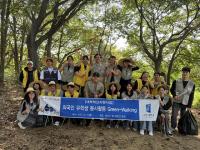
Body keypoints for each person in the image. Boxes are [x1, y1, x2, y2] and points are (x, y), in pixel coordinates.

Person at [170, 67, 195, 132]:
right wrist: (174, 95)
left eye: (186, 72)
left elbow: (191, 95)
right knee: (174, 115)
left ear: (189, 73)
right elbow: (171, 89)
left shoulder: (192, 84)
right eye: (183, 72)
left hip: (185, 102)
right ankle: (173, 127)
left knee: (183, 116)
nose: (185, 73)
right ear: (182, 72)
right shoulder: (176, 81)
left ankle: (181, 128)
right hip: (176, 101)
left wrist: (189, 106)